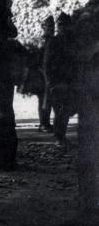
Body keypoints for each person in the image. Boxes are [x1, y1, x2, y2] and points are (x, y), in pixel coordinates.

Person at [43, 12, 77, 147]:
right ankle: (59, 138)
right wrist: (50, 82)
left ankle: (60, 137)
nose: (64, 28)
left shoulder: (70, 41)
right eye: (62, 25)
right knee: (61, 110)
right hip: (58, 82)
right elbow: (47, 64)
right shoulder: (54, 41)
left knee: (65, 110)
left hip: (67, 81)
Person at [38, 16, 55, 133]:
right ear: (43, 27)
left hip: (50, 73)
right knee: (45, 100)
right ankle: (44, 124)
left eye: (52, 26)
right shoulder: (43, 41)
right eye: (49, 26)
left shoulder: (52, 40)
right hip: (43, 74)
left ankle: (46, 123)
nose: (51, 28)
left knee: (48, 100)